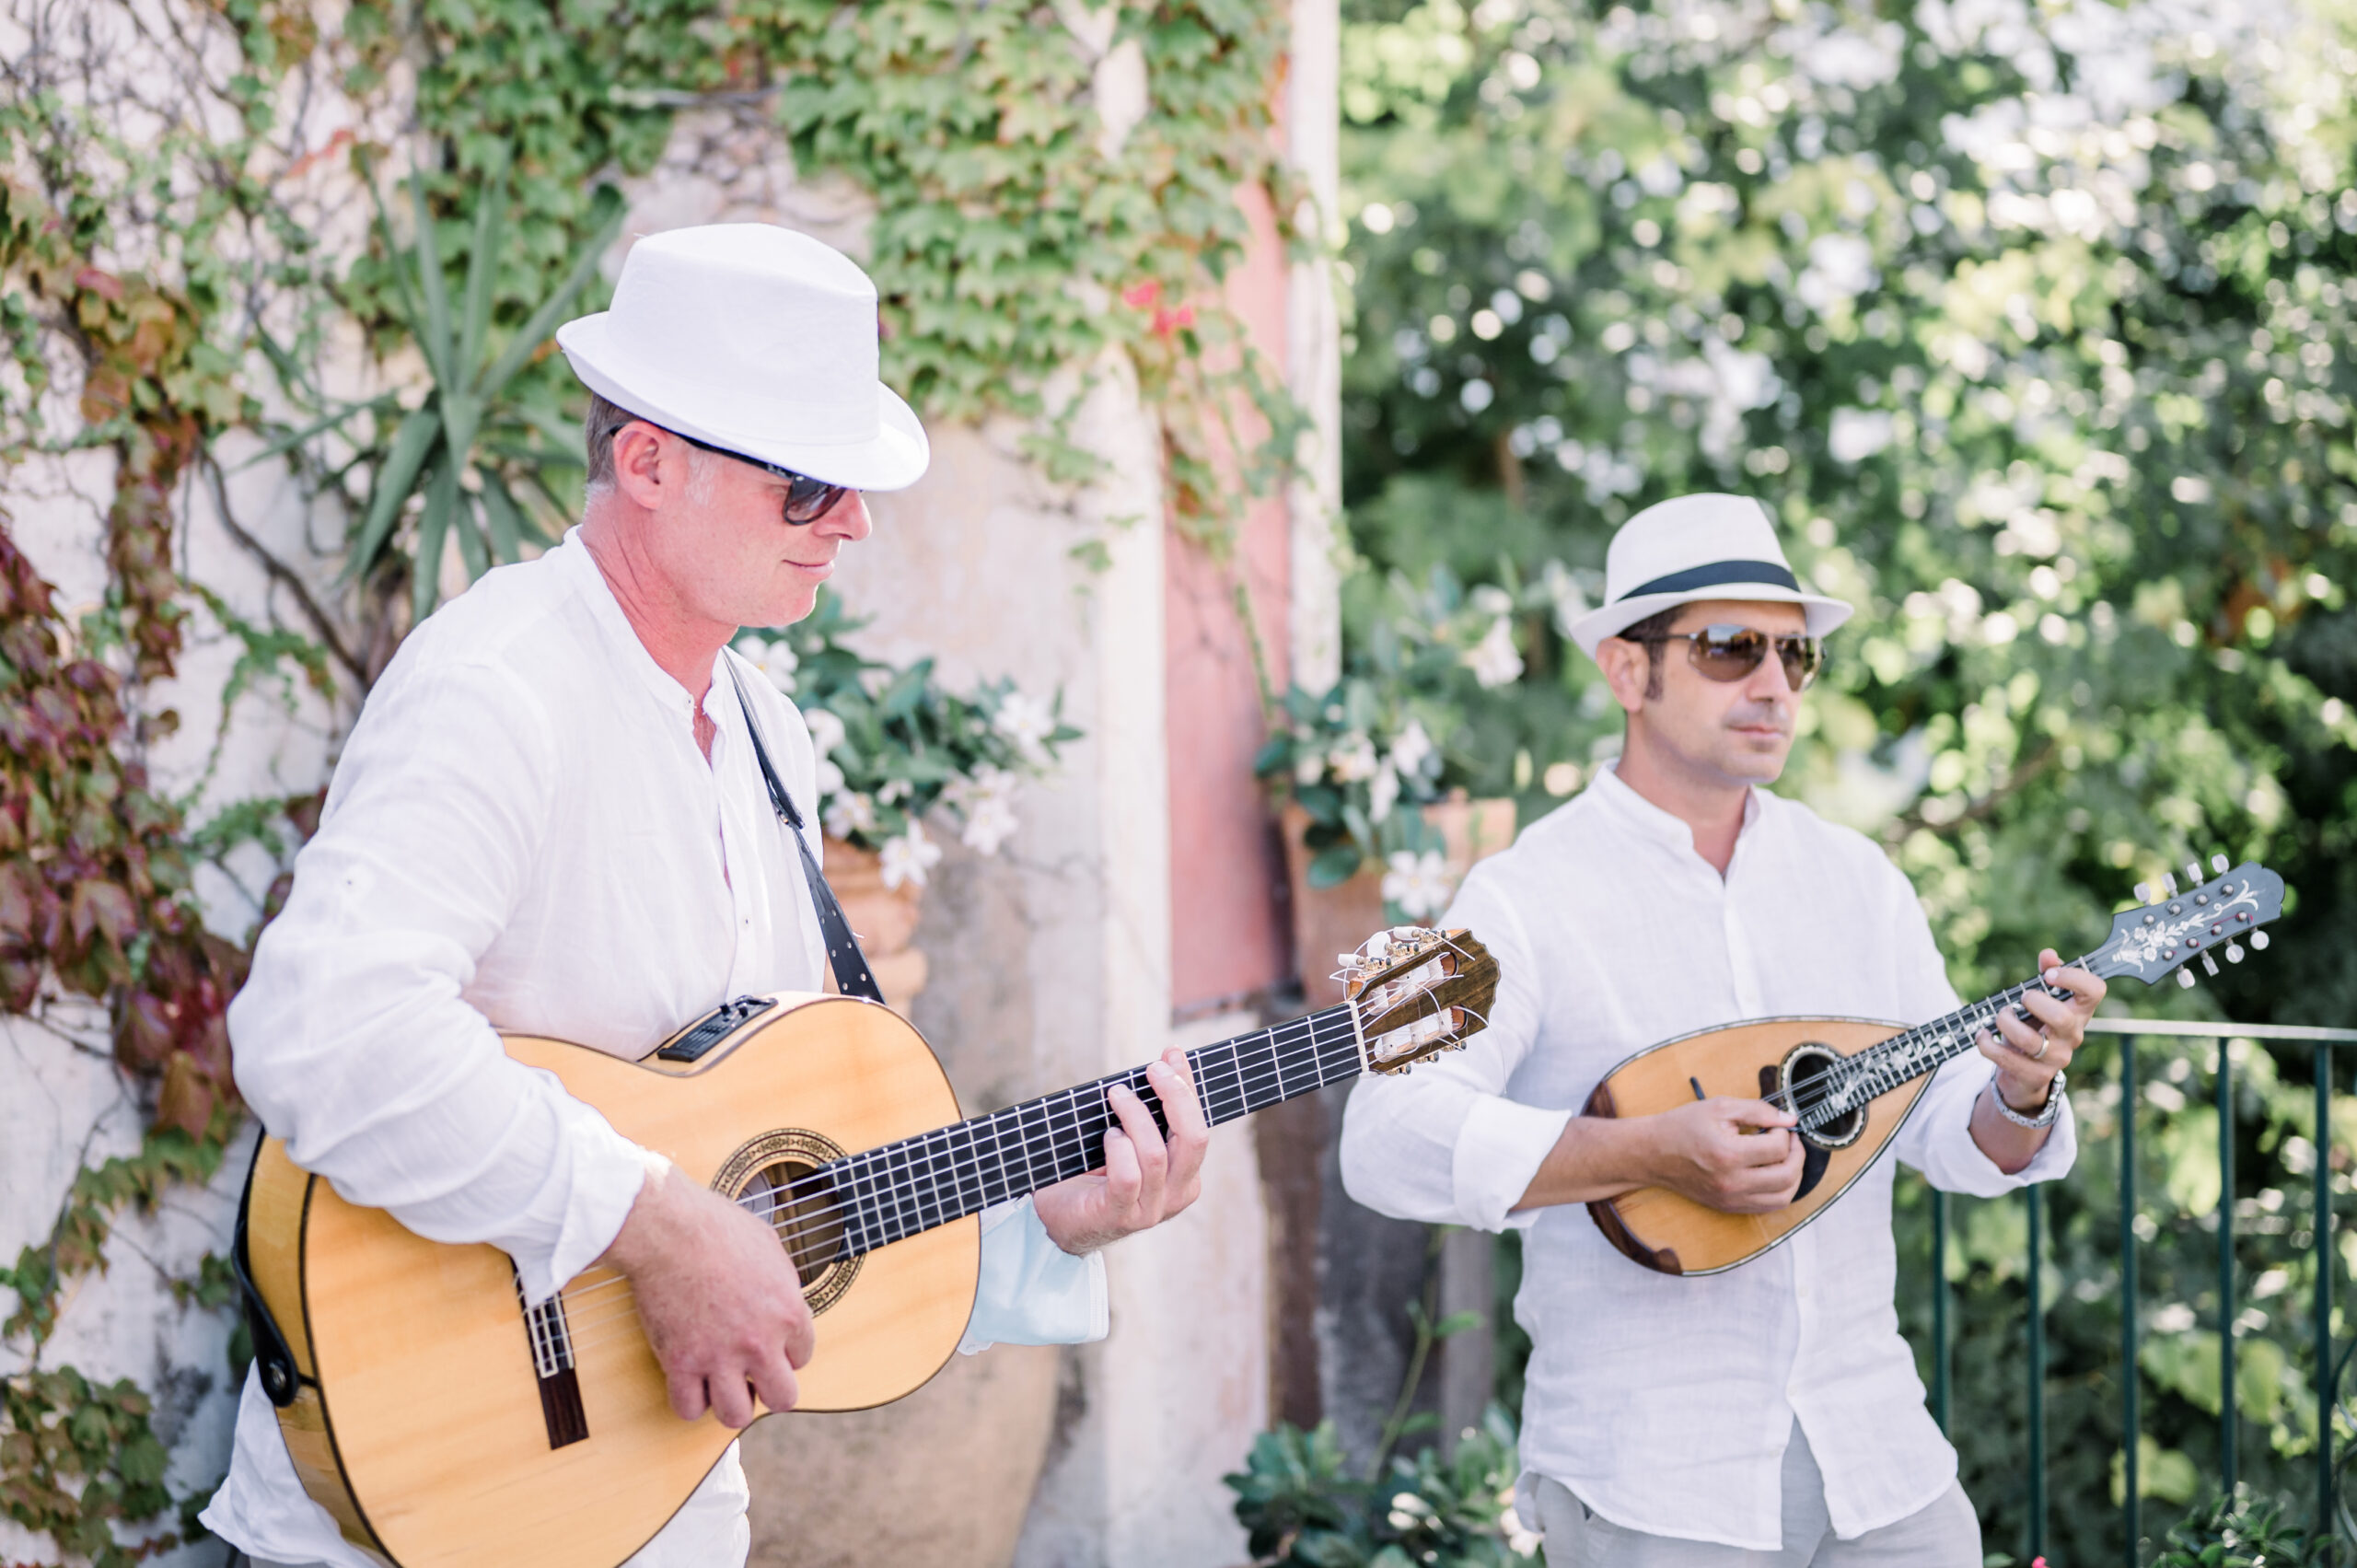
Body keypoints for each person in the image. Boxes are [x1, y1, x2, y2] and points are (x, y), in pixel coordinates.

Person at [202, 224, 1210, 1568]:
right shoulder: (495, 688)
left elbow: (770, 1177)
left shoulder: (765, 732)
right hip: (420, 1514)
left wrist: (1035, 1222)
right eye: (807, 485)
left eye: (851, 487)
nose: (852, 521)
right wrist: (651, 1218)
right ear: (648, 460)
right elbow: (322, 1030)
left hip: (659, 1508)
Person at [1338, 493, 2104, 1567]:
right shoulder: (1508, 894)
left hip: (1881, 1461)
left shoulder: (1859, 878)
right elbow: (1384, 1136)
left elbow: (1951, 1133)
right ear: (1625, 670)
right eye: (1730, 647)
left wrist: (2020, 1089)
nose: (1772, 683)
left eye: (1795, 656)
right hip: (1650, 1480)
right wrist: (1645, 1153)